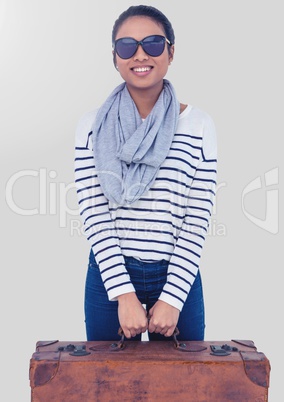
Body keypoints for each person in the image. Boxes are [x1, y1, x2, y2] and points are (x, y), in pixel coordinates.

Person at [74, 5, 217, 342]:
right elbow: (94, 212)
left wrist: (172, 297)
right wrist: (123, 294)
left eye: (153, 43)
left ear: (170, 51)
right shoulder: (91, 126)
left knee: (186, 389)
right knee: (103, 388)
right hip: (109, 275)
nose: (140, 55)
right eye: (127, 46)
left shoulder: (198, 125)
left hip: (177, 275)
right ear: (115, 56)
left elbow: (198, 216)